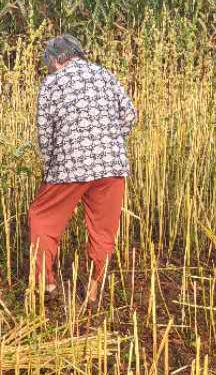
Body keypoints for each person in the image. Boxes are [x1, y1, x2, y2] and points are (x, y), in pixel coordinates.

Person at [27, 35, 138, 302]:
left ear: (56, 59)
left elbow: (45, 132)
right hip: (112, 165)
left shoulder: (52, 83)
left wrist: (51, 165)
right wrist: (110, 141)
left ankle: (45, 284)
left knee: (41, 217)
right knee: (102, 230)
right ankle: (93, 289)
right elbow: (130, 115)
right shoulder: (105, 75)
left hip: (69, 165)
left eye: (49, 63)